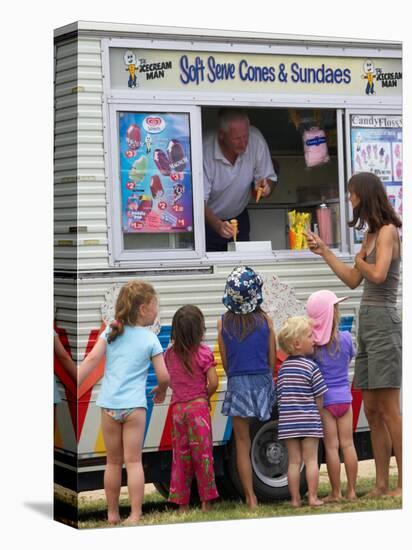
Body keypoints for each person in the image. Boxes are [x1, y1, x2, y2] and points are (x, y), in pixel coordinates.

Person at [305, 172, 402, 497]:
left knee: (389, 410)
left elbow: (377, 273)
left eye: (351, 194)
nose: (349, 199)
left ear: (364, 195)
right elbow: (352, 279)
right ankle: (380, 484)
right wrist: (326, 252)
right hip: (368, 324)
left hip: (384, 322)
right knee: (372, 409)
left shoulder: (388, 232)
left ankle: (403, 484)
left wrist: (360, 261)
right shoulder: (371, 234)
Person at [78, 280, 170, 525]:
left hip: (108, 405)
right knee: (134, 461)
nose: (157, 311)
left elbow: (89, 362)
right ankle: (136, 514)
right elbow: (164, 376)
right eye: (155, 306)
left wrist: (73, 383)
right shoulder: (150, 339)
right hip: (134, 407)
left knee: (113, 462)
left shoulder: (111, 331)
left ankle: (112, 514)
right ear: (142, 309)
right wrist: (160, 391)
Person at [218, 266, 276, 508]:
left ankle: (251, 498)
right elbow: (272, 360)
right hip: (262, 380)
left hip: (238, 383)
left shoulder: (223, 323)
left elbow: (226, 362)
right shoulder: (266, 320)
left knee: (242, 442)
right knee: (269, 431)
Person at [165, 305, 219, 512]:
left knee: (181, 457)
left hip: (178, 410)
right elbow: (213, 382)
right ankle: (206, 503)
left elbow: (169, 380)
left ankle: (182, 505)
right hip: (198, 409)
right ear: (200, 329)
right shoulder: (204, 353)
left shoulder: (169, 355)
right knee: (203, 456)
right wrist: (204, 397)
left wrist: (181, 391)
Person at [306, 290, 358, 501]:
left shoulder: (314, 348)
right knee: (349, 445)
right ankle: (352, 491)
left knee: (332, 447)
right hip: (345, 398)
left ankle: (336, 493)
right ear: (333, 315)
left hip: (326, 402)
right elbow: (351, 356)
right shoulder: (346, 338)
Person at [203, 108, 277, 251]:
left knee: (243, 266)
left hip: (239, 216)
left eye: (245, 137)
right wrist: (218, 225)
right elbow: (198, 202)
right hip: (207, 220)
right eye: (237, 139)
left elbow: (269, 179)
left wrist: (265, 187)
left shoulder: (255, 140)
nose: (243, 143)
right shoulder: (204, 149)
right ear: (221, 135)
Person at [277, 316, 327, 507]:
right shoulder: (311, 367)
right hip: (309, 421)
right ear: (297, 344)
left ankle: (295, 499)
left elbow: (280, 396)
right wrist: (319, 415)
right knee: (311, 460)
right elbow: (319, 396)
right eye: (309, 336)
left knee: (293, 462)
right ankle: (313, 497)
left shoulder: (283, 370)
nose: (314, 339)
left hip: (289, 424)